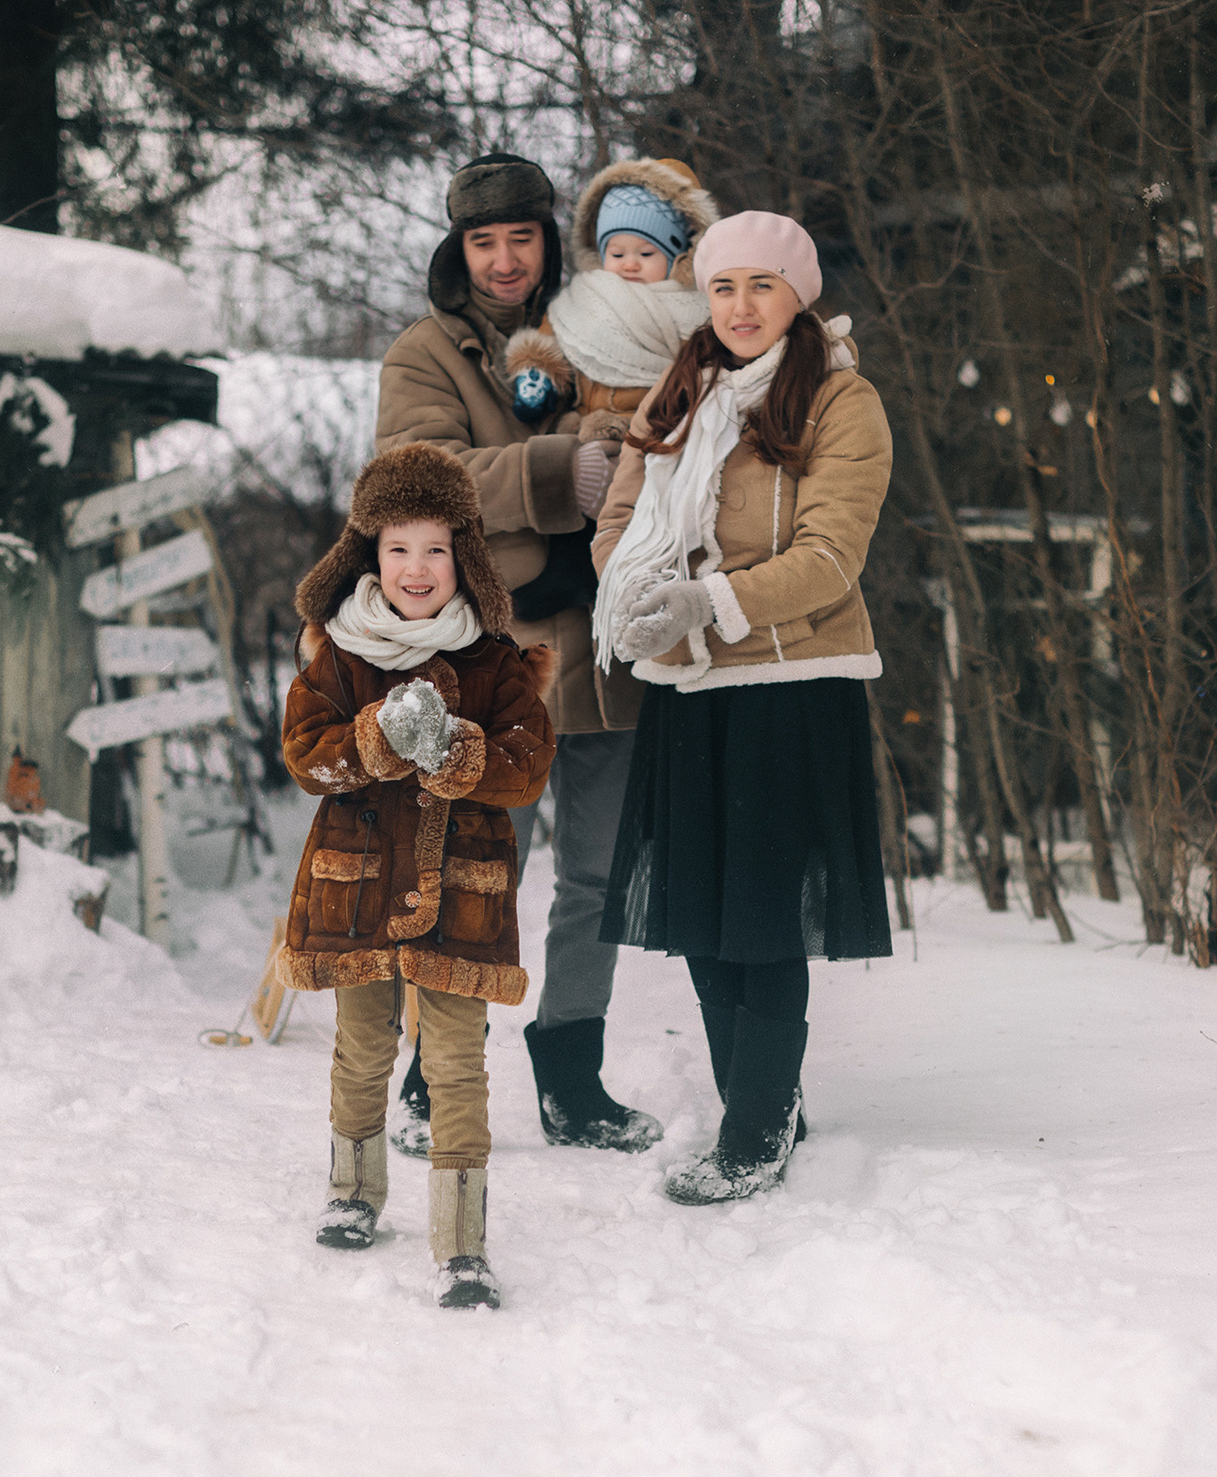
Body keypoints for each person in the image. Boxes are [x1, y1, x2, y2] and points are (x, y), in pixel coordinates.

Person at [589, 210, 895, 1205]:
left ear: (796, 296)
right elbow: (620, 521)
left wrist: (709, 602)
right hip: (687, 690)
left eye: (762, 285)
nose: (741, 306)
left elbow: (829, 556)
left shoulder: (841, 403)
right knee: (706, 921)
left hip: (787, 687)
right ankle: (764, 1102)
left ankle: (755, 1131)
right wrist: (633, 599)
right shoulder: (676, 398)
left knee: (762, 922)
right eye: (723, 287)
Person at [376, 152, 662, 1158]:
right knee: (473, 865)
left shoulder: (616, 322)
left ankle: (572, 1079)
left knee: (595, 872)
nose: (503, 261)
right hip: (495, 656)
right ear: (460, 250)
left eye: (521, 238)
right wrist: (556, 473)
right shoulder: (428, 352)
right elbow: (416, 479)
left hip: (613, 645)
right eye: (483, 242)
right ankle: (429, 1075)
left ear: (550, 241)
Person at [279, 443, 556, 1310]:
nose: (416, 567)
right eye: (398, 547)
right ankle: (354, 1190)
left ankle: (462, 1243)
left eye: (435, 548)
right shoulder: (337, 653)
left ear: (463, 555)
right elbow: (304, 753)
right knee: (362, 1049)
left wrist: (456, 752)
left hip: (458, 899)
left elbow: (527, 763)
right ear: (368, 554)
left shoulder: (493, 661)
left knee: (456, 1064)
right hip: (356, 889)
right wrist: (373, 741)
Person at [505, 158, 721, 442]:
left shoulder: (693, 309)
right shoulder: (583, 299)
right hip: (581, 423)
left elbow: (704, 372)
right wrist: (539, 370)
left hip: (652, 425)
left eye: (646, 254)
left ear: (678, 259)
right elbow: (552, 338)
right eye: (617, 254)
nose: (629, 265)